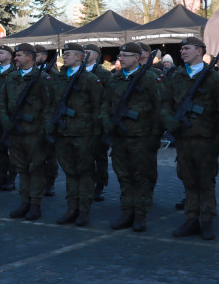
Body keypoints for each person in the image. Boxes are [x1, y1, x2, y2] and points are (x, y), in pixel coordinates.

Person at [163, 37, 219, 241]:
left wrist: (218, 140)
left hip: (206, 140)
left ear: (200, 51)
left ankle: (206, 220)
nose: (182, 52)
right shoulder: (177, 75)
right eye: (181, 49)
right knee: (188, 181)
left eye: (187, 48)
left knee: (206, 182)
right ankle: (191, 218)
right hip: (184, 139)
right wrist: (167, 118)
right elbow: (166, 101)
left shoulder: (214, 78)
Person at [101, 42, 162, 232]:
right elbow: (106, 103)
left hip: (142, 137)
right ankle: (127, 211)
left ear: (137, 58)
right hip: (120, 137)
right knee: (124, 176)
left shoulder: (150, 78)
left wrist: (155, 136)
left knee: (141, 177)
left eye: (125, 55)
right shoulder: (115, 79)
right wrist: (105, 121)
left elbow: (160, 108)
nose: (120, 57)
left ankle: (140, 214)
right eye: (120, 54)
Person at [48, 43, 103, 227]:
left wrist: (95, 134)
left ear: (80, 57)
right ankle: (72, 208)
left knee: (85, 173)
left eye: (69, 54)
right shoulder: (59, 79)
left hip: (83, 134)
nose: (65, 57)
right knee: (70, 173)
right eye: (64, 54)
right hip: (63, 133)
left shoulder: (90, 79)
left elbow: (98, 108)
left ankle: (84, 211)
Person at [0, 43, 53, 220]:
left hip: (34, 133)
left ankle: (35, 205)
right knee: (22, 169)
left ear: (30, 57)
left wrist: (44, 130)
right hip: (15, 132)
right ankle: (24, 202)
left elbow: (49, 106)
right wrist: (5, 120)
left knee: (35, 169)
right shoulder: (11, 77)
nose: (15, 58)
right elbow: (0, 101)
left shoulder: (42, 78)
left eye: (19, 55)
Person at [84, 44, 111, 201]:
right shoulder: (77, 73)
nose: (84, 55)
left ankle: (100, 185)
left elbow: (109, 97)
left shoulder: (104, 74)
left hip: (98, 122)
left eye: (88, 53)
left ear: (95, 56)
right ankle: (87, 184)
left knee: (99, 156)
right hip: (80, 123)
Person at [34, 45, 59, 197]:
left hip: (48, 121)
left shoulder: (53, 75)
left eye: (36, 54)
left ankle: (50, 183)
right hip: (33, 123)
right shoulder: (32, 74)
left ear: (44, 57)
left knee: (50, 156)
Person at [0, 45, 16, 191]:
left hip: (10, 117)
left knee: (12, 150)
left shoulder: (15, 73)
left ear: (10, 56)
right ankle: (2, 177)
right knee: (0, 150)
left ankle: (11, 178)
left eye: (2, 52)